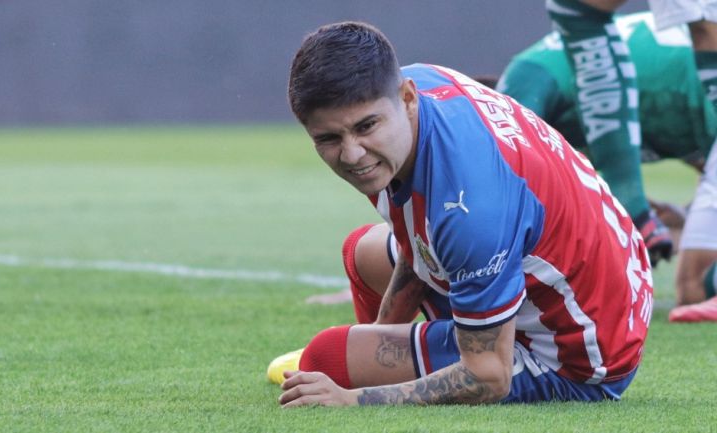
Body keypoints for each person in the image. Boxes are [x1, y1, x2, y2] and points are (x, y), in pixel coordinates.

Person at [272, 21, 653, 407]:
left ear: (406, 98)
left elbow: (488, 376)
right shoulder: (422, 86)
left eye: (366, 126)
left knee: (326, 356)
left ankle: (458, 335)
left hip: (580, 361)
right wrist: (380, 340)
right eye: (328, 139)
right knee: (362, 251)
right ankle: (446, 333)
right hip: (608, 280)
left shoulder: (469, 207)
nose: (352, 154)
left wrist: (355, 397)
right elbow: (419, 231)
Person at [505, 8, 717, 321]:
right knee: (693, 284)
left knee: (693, 284)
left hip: (581, 65)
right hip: (554, 70)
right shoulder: (535, 78)